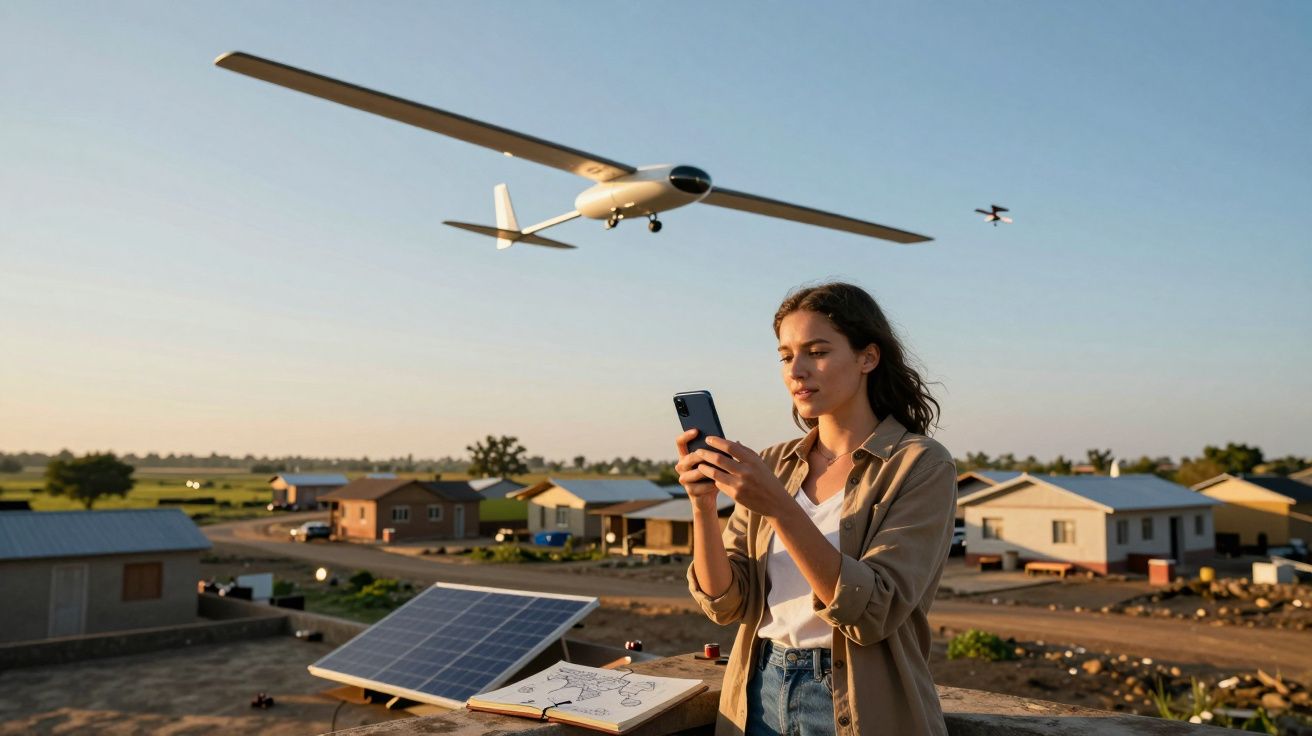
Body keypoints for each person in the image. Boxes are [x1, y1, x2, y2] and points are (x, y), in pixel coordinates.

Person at [678, 282, 956, 736]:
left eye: (817, 351)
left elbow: (872, 613)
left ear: (868, 357)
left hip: (861, 701)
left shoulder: (920, 464)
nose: (797, 371)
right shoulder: (773, 463)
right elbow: (727, 603)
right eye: (786, 356)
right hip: (756, 693)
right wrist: (703, 506)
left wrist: (781, 508)